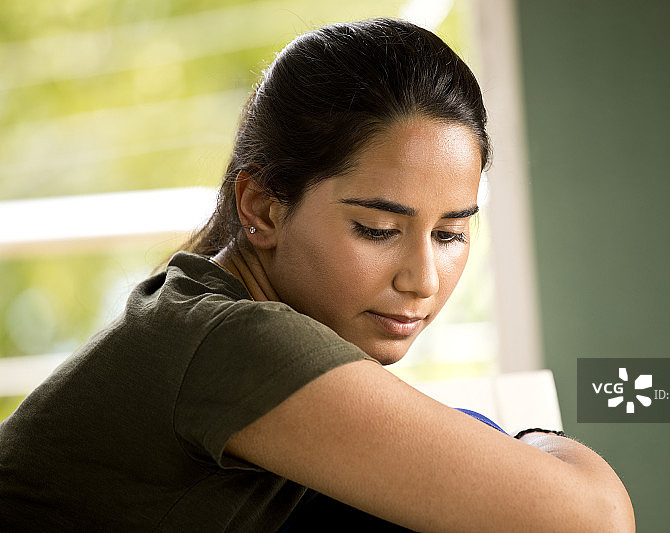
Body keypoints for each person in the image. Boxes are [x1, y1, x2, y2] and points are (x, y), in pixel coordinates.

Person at [0, 18, 635, 532]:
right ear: (262, 207)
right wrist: (524, 435)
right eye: (378, 230)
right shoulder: (234, 343)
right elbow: (594, 520)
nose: (423, 279)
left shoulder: (195, 311)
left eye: (449, 235)